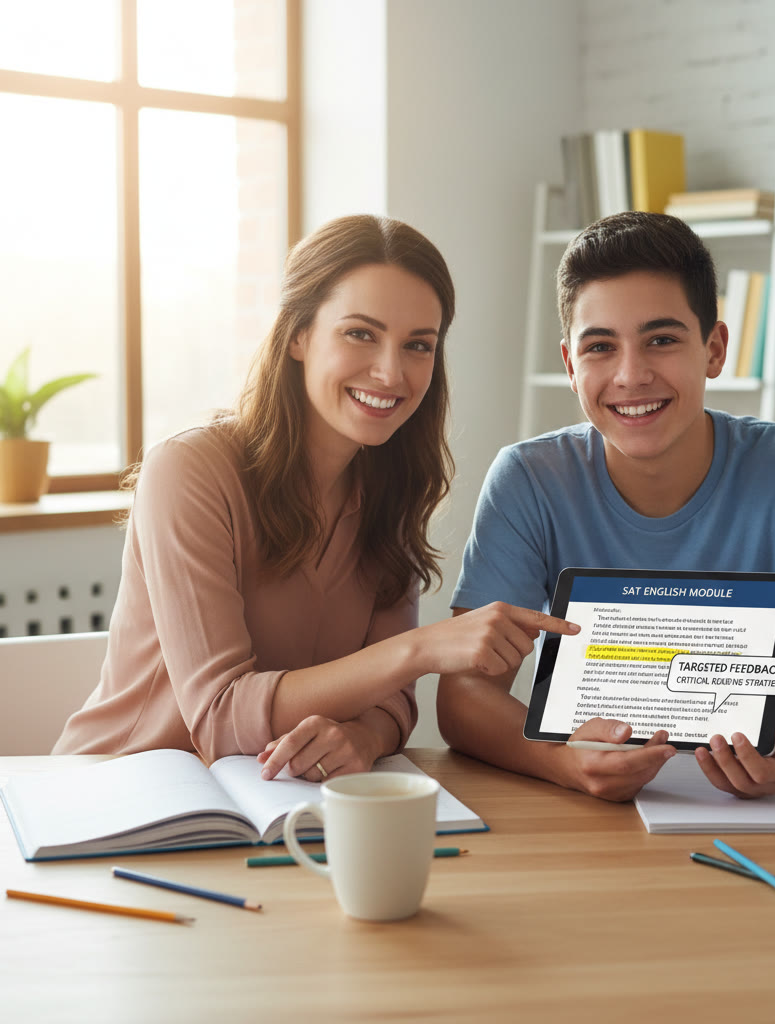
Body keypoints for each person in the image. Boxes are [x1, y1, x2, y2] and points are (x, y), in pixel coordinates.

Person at [54, 215, 577, 781]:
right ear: (298, 334)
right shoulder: (188, 471)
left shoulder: (390, 490)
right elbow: (222, 719)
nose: (390, 371)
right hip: (115, 797)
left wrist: (360, 735)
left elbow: (393, 704)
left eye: (418, 345)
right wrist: (422, 649)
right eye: (360, 333)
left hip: (273, 804)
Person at [437, 211, 775, 802]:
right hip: (581, 818)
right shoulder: (527, 479)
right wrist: (562, 762)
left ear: (714, 348)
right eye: (601, 347)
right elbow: (465, 695)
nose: (631, 374)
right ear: (571, 367)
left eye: (662, 339)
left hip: (754, 813)